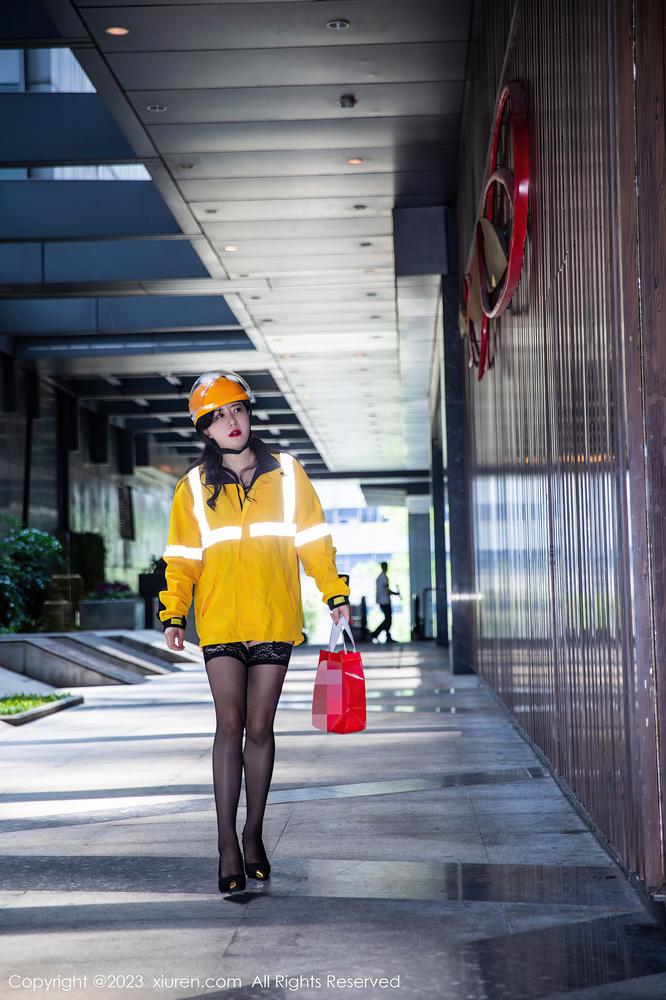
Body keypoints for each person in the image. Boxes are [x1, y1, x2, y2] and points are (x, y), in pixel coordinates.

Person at [158, 371, 352, 894]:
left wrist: (335, 595)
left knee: (260, 728)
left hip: (272, 618)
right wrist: (174, 613)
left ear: (249, 414)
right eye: (218, 416)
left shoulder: (288, 474)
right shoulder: (192, 488)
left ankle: (253, 834)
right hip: (220, 621)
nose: (231, 421)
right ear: (205, 429)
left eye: (238, 410)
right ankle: (226, 843)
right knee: (230, 723)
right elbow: (182, 559)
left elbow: (315, 543)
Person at [370, 561, 400, 643]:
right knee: (388, 620)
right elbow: (386, 590)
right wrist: (396, 593)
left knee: (387, 620)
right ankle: (375, 634)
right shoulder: (383, 577)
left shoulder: (380, 577)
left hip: (382, 601)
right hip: (385, 601)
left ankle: (378, 634)